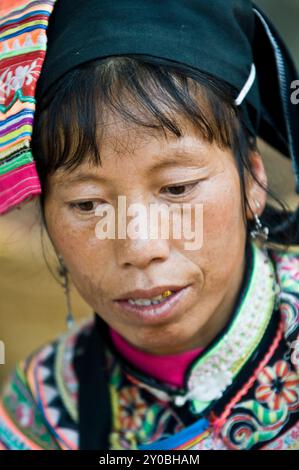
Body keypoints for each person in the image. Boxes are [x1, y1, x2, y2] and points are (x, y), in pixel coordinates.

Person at [0, 0, 298, 450]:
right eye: (87, 204)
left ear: (252, 179)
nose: (139, 246)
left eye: (177, 189)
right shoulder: (42, 405)